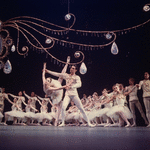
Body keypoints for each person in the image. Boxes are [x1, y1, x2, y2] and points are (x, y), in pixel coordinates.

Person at [42, 56, 71, 126]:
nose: (46, 81)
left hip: (55, 90)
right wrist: (65, 86)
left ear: (49, 82)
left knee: (61, 76)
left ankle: (67, 63)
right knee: (58, 107)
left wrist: (44, 67)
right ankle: (56, 120)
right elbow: (57, 89)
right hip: (55, 94)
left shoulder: (47, 83)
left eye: (48, 80)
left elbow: (43, 74)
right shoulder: (48, 87)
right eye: (46, 80)